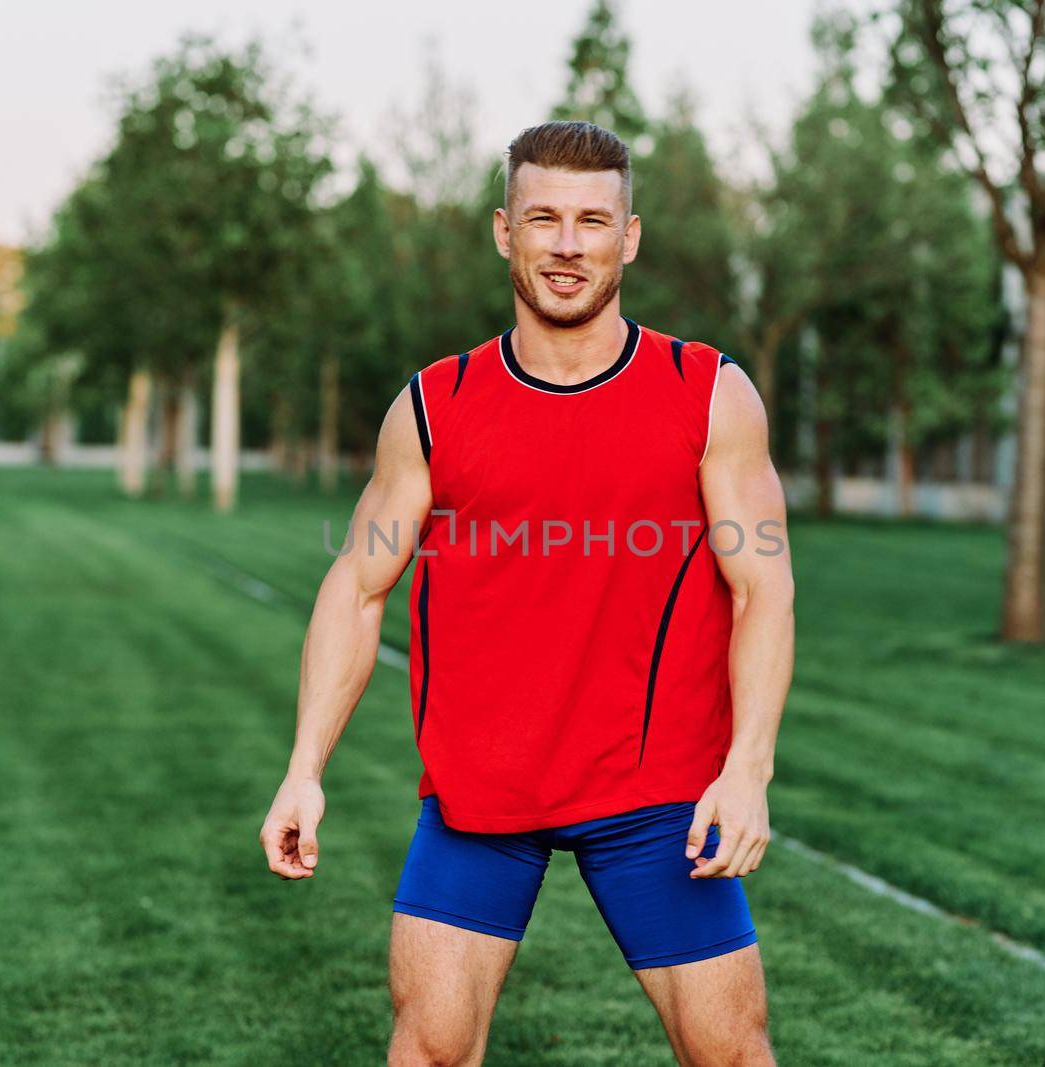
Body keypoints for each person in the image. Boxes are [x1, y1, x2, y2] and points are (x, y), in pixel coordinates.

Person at [260, 119, 794, 1066]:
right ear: (505, 231)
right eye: (543, 218)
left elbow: (762, 589)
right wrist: (305, 765)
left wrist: (746, 769)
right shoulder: (434, 404)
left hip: (658, 793)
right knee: (426, 1048)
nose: (567, 244)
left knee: (730, 1052)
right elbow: (358, 582)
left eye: (593, 221)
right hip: (480, 791)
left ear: (629, 238)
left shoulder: (708, 392)